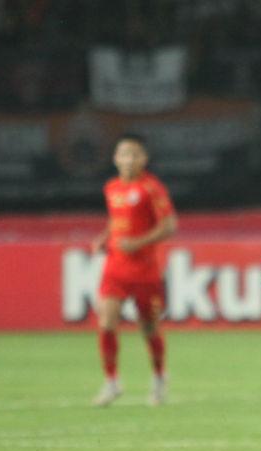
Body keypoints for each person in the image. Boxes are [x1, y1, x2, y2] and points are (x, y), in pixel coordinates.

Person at [90, 133, 177, 407]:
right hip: (115, 267)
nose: (128, 159)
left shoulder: (151, 188)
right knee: (106, 322)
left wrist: (138, 242)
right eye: (123, 154)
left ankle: (159, 377)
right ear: (115, 159)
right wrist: (105, 237)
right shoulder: (112, 187)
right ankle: (111, 382)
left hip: (145, 271)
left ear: (143, 158)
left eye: (134, 154)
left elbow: (169, 225)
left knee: (149, 328)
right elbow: (117, 221)